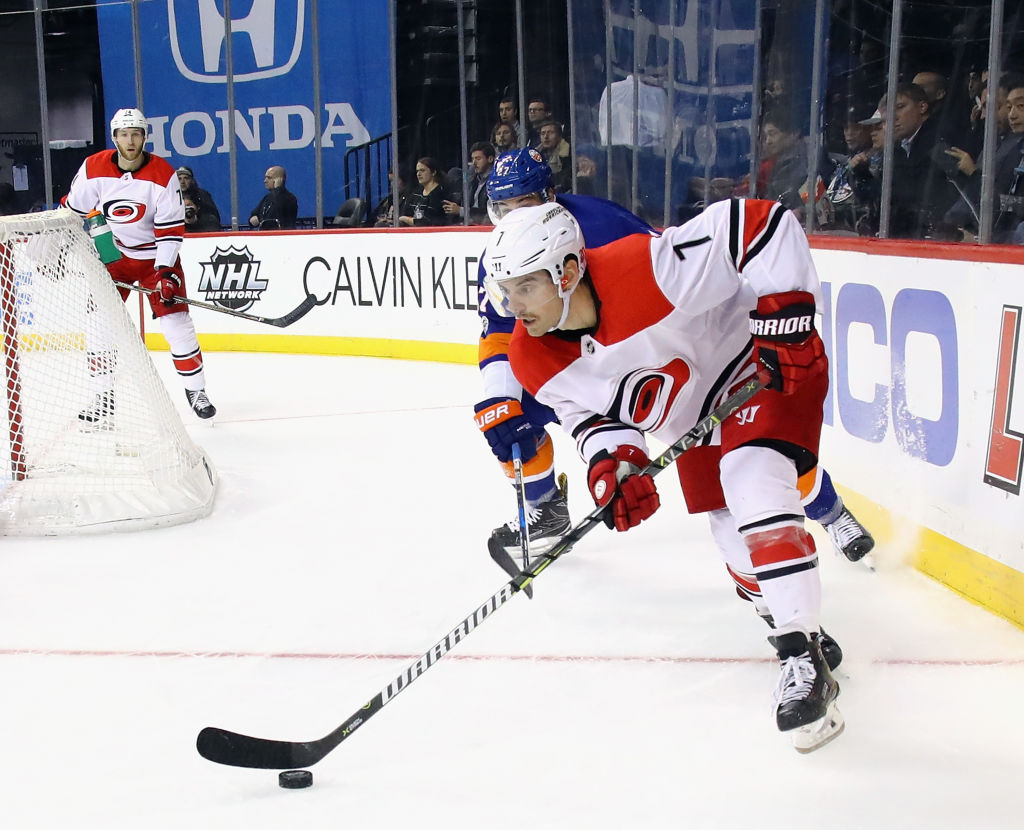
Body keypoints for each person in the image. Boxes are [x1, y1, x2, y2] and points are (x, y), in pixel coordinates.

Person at [483, 199, 845, 752]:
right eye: (505, 290)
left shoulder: (645, 266)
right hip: (699, 418)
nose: (513, 305)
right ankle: (801, 633)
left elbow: (762, 224)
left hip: (762, 364)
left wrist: (787, 311)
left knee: (751, 478)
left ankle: (801, 654)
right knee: (732, 536)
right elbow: (591, 417)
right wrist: (614, 466)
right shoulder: (533, 359)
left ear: (569, 272)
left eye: (525, 287)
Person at [475, 148, 874, 572]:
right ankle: (546, 512)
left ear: (550, 195)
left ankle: (828, 511)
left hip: (668, 354)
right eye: (502, 207)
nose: (512, 216)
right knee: (508, 427)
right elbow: (501, 330)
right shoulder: (503, 253)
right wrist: (496, 397)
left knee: (767, 452)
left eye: (525, 203)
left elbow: (664, 278)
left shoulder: (599, 226)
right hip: (585, 365)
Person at [63, 107, 216, 419]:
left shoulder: (163, 174)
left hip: (154, 259)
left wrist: (164, 273)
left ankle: (196, 391)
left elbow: (170, 230)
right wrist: (54, 242)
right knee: (98, 325)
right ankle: (103, 397)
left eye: (136, 134)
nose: (130, 140)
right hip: (112, 257)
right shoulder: (93, 167)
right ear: (114, 137)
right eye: (124, 134)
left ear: (145, 137)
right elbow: (71, 210)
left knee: (177, 325)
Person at [443, 142, 495, 225]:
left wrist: (461, 211)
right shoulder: (472, 181)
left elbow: (489, 213)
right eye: (473, 159)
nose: (474, 163)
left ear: (490, 159)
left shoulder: (496, 182)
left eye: (478, 159)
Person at [399, 157, 449, 226]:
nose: (418, 174)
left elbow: (427, 222)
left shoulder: (439, 194)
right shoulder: (416, 193)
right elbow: (406, 212)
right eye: (417, 171)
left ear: (433, 172)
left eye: (422, 170)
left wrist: (405, 219)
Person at [249, 166, 298, 230]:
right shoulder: (267, 198)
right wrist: (256, 219)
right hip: (266, 237)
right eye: (265, 177)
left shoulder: (289, 198)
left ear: (278, 179)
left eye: (269, 178)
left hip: (283, 237)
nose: (265, 181)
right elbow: (253, 216)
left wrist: (278, 188)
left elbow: (278, 210)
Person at [176, 166, 221, 230]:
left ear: (192, 180)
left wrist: (195, 217)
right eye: (179, 179)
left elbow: (214, 218)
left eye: (186, 178)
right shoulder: (171, 196)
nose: (182, 182)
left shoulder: (202, 195)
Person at [536, 120, 572, 193]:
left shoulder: (568, 154)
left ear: (559, 136)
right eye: (543, 133)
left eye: (551, 133)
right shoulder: (535, 154)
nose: (546, 137)